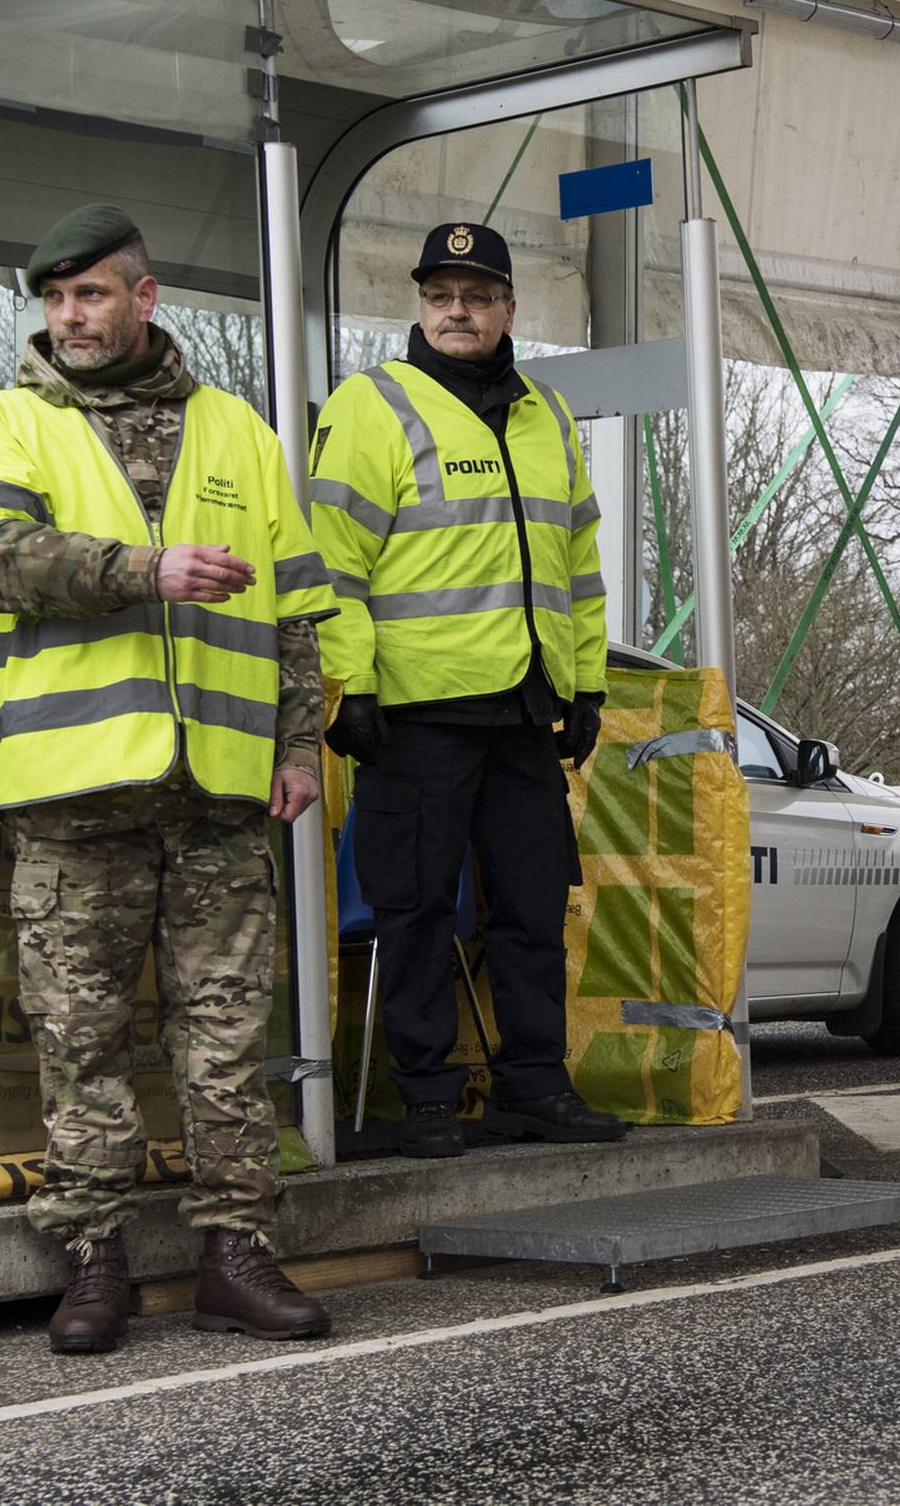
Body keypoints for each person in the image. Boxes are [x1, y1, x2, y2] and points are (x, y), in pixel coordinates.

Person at [0, 205, 337, 1355]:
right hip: (75, 793)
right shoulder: (2, 425)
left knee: (223, 1041)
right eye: (56, 300)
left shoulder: (238, 433)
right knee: (80, 1039)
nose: (72, 317)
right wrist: (143, 568)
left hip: (216, 791)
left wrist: (298, 744)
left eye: (94, 295)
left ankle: (236, 1256)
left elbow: (297, 605)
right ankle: (93, 1261)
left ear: (145, 298)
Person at [310, 222, 624, 1158]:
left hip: (524, 709)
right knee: (412, 912)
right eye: (442, 294)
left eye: (478, 295)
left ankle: (534, 1084)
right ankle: (428, 1096)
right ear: (419, 306)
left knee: (533, 908)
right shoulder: (373, 405)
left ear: (509, 310)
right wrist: (351, 688)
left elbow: (578, 566)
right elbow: (333, 564)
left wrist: (587, 683)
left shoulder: (546, 415)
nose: (459, 309)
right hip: (414, 715)